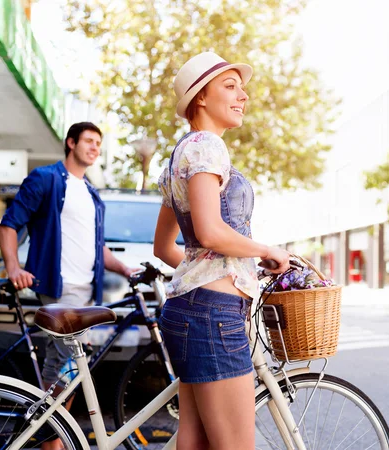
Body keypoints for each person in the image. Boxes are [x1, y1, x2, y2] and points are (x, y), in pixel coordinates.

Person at [154, 51, 290, 450]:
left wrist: (217, 272)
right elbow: (211, 232)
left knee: (194, 444)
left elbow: (165, 247)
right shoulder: (208, 147)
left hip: (188, 310)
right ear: (200, 97)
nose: (242, 96)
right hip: (214, 318)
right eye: (229, 87)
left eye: (241, 88)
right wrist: (264, 250)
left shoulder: (178, 157)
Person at [0, 121, 134, 450]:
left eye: (98, 143)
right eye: (88, 140)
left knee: (69, 370)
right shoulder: (46, 179)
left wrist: (127, 269)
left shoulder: (91, 194)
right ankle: (48, 439)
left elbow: (96, 246)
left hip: (86, 292)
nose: (94, 147)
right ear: (70, 143)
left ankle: (52, 436)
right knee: (64, 368)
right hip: (59, 287)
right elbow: (9, 225)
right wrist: (14, 267)